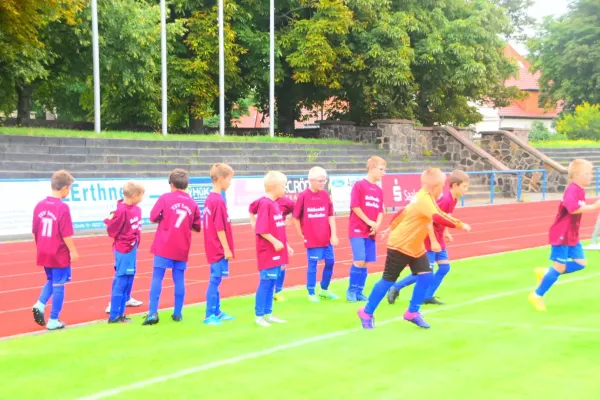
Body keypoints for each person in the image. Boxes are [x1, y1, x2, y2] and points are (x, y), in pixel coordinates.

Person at [357, 168, 471, 329]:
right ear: (435, 186)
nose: (443, 189)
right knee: (388, 280)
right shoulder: (425, 199)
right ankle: (366, 312)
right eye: (442, 186)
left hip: (415, 246)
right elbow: (438, 216)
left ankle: (412, 312)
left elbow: (403, 212)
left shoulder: (423, 196)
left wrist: (391, 227)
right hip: (401, 245)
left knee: (425, 276)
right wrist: (460, 224)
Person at [387, 169, 470, 305]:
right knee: (426, 271)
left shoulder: (454, 199)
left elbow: (444, 218)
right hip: (429, 239)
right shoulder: (445, 199)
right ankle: (396, 287)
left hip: (438, 238)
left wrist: (445, 232)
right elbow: (429, 220)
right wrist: (433, 241)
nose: (467, 190)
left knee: (444, 268)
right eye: (465, 186)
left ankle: (427, 296)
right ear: (455, 186)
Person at [529, 159, 600, 311]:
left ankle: (546, 272)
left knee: (581, 263)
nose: (591, 176)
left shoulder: (580, 189)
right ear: (577, 175)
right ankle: (536, 295)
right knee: (559, 268)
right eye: (587, 173)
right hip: (561, 235)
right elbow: (572, 209)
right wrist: (594, 207)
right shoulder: (572, 189)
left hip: (572, 234)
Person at [142, 169, 201, 325]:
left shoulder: (165, 198)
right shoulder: (193, 203)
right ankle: (178, 313)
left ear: (172, 184)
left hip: (163, 244)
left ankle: (153, 312)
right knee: (179, 279)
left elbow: (153, 217)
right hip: (182, 246)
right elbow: (196, 227)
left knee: (157, 277)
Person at [31, 170, 79, 331]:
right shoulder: (62, 207)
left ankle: (40, 303)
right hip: (58, 252)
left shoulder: (39, 205)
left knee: (51, 280)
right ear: (65, 188)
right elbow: (65, 233)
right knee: (59, 284)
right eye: (70, 188)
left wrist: (40, 247)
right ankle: (54, 319)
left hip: (43, 249)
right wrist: (73, 251)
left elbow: (34, 231)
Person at [253, 171, 294, 327]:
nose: (285, 189)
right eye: (284, 186)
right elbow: (261, 229)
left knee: (272, 282)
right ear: (275, 187)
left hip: (277, 251)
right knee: (266, 281)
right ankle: (259, 315)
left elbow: (278, 228)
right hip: (268, 252)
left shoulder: (275, 204)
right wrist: (275, 242)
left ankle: (268, 313)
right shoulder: (265, 204)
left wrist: (286, 245)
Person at [292, 166, 339, 302]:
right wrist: (300, 233)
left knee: (330, 262)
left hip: (326, 238)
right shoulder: (303, 196)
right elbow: (295, 217)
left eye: (324, 180)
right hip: (312, 238)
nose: (323, 183)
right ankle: (311, 292)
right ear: (311, 180)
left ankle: (324, 289)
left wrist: (334, 234)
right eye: (320, 181)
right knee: (313, 264)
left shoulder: (325, 195)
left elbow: (330, 215)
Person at [104, 181, 145, 323]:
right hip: (124, 249)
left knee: (128, 280)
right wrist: (124, 238)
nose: (142, 198)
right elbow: (111, 228)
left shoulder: (136, 209)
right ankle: (115, 315)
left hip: (132, 248)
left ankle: (121, 313)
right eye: (141, 195)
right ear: (134, 195)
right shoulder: (121, 210)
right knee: (121, 280)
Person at [347, 156, 386, 302]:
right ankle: (351, 291)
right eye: (381, 169)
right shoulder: (359, 185)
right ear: (371, 168)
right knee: (359, 259)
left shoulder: (378, 190)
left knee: (366, 262)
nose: (384, 172)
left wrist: (377, 225)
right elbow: (355, 207)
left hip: (371, 231)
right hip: (357, 229)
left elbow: (381, 210)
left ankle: (359, 291)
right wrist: (369, 221)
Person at [203, 163, 236, 325]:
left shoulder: (212, 198)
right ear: (221, 179)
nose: (230, 182)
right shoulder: (217, 201)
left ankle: (216, 311)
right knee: (215, 279)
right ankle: (209, 314)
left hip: (214, 246)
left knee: (217, 280)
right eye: (230, 179)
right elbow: (219, 227)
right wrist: (226, 248)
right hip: (217, 248)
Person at [249, 195, 295, 301]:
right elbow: (251, 208)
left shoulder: (285, 201)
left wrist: (290, 221)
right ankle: (264, 299)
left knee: (282, 266)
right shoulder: (263, 201)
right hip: (268, 237)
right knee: (269, 270)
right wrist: (252, 222)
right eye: (282, 186)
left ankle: (278, 291)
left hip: (279, 235)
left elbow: (298, 209)